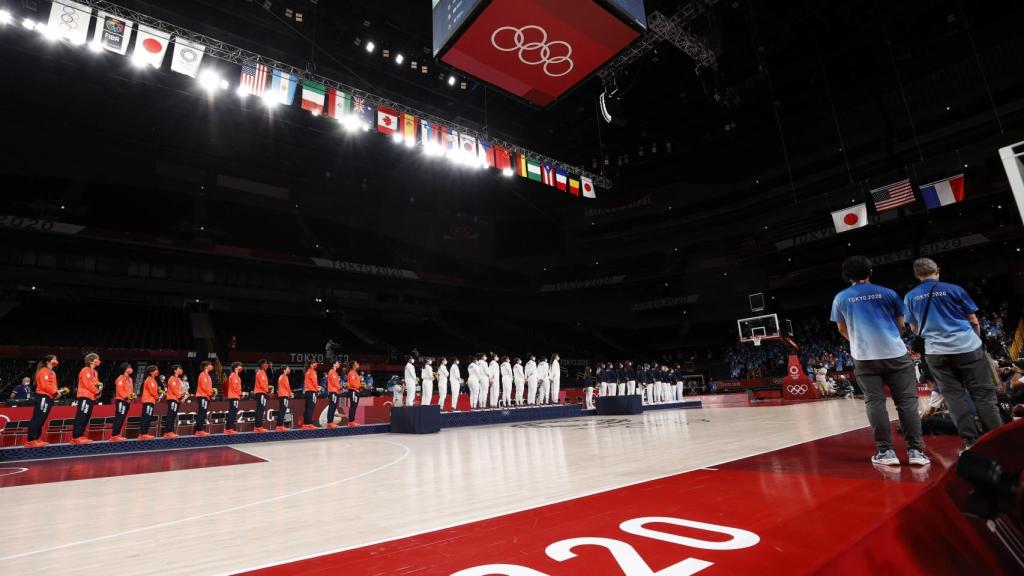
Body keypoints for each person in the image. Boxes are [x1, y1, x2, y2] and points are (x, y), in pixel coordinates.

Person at [831, 255, 929, 467]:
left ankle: (885, 452)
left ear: (847, 277)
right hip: (895, 353)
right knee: (906, 403)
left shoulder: (841, 298)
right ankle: (916, 452)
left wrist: (857, 340)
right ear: (870, 272)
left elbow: (841, 328)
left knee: (874, 402)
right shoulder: (889, 293)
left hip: (864, 357)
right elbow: (901, 325)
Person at [904, 258, 1002, 449]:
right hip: (968, 348)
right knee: (983, 395)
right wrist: (976, 341)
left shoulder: (910, 297)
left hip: (936, 353)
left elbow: (914, 329)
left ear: (917, 276)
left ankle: (970, 444)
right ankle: (997, 442)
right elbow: (973, 320)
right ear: (937, 270)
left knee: (953, 398)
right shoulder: (954, 289)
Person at [25, 355, 61, 447]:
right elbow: (45, 386)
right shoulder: (44, 371)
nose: (56, 361)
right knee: (38, 418)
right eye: (54, 359)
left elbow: (53, 385)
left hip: (49, 397)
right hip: (43, 397)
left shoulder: (52, 372)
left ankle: (36, 438)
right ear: (48, 362)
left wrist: (57, 393)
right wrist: (55, 392)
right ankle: (30, 440)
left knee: (42, 419)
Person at [71, 352, 102, 445]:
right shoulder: (85, 370)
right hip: (84, 396)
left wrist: (99, 390)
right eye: (96, 359)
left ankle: (81, 435)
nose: (98, 360)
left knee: (86, 417)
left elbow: (96, 384)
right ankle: (76, 437)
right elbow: (87, 384)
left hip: (91, 397)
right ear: (90, 361)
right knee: (81, 416)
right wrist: (97, 391)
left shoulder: (95, 372)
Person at [110, 363, 134, 442]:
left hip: (127, 401)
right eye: (129, 367)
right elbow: (120, 391)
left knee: (123, 417)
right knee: (119, 417)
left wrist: (132, 397)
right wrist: (126, 397)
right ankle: (114, 435)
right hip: (121, 400)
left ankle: (118, 434)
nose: (130, 369)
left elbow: (130, 390)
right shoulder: (120, 378)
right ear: (125, 369)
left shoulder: (130, 379)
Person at [162, 364, 185, 439]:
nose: (180, 370)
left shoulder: (178, 379)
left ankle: (171, 431)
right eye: (179, 368)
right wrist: (180, 397)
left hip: (177, 399)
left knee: (173, 415)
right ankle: (167, 432)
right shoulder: (172, 379)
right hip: (172, 399)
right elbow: (174, 390)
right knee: (170, 415)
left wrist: (183, 396)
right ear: (175, 370)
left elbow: (180, 389)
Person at [138, 365, 160, 440]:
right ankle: (143, 434)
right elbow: (153, 392)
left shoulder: (152, 380)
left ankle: (144, 433)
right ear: (151, 372)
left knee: (148, 417)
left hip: (150, 401)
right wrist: (157, 398)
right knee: (146, 417)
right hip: (148, 401)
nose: (157, 371)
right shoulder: (150, 380)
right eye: (155, 370)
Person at [194, 361, 214, 437]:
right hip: (202, 396)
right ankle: (199, 430)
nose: (211, 366)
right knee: (201, 413)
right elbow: (204, 387)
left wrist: (211, 393)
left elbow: (208, 387)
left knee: (203, 413)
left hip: (206, 396)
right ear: (205, 366)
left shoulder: (208, 376)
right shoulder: (202, 375)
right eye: (210, 365)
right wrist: (210, 394)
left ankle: (200, 430)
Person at [252, 359, 271, 432]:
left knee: (261, 410)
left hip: (262, 392)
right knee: (260, 410)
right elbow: (262, 384)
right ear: (261, 364)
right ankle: (258, 427)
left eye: (267, 363)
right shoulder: (260, 372)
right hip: (261, 393)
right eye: (265, 363)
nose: (267, 365)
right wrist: (268, 391)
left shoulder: (263, 372)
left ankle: (258, 427)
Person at [224, 362, 243, 435]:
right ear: (235, 367)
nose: (241, 367)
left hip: (236, 396)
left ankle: (229, 428)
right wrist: (241, 394)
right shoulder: (233, 375)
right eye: (239, 366)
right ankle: (228, 429)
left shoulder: (236, 376)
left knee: (233, 412)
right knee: (232, 412)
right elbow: (235, 387)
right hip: (234, 396)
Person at [302, 360, 319, 429]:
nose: (316, 364)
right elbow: (314, 383)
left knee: (307, 408)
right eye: (315, 363)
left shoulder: (307, 371)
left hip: (307, 392)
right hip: (312, 392)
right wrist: (317, 390)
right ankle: (309, 424)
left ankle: (306, 424)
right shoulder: (313, 371)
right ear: (312, 364)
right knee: (310, 408)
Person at [325, 361, 343, 428]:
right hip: (333, 392)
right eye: (337, 363)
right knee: (332, 407)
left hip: (335, 392)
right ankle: (329, 423)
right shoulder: (332, 372)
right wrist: (340, 387)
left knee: (333, 407)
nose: (339, 364)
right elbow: (335, 383)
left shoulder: (334, 372)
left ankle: (330, 422)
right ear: (334, 364)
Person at [275, 365, 292, 431]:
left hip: (282, 395)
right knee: (282, 411)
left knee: (281, 410)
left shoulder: (281, 377)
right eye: (288, 368)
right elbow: (287, 386)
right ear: (284, 370)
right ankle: (280, 426)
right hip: (284, 395)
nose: (289, 369)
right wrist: (290, 394)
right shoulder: (284, 377)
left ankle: (279, 426)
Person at [345, 360, 362, 427]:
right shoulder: (351, 373)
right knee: (353, 406)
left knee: (354, 406)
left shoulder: (355, 372)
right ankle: (351, 422)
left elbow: (356, 382)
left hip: (356, 391)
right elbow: (352, 383)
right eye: (356, 363)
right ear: (353, 365)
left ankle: (352, 421)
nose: (358, 364)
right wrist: (359, 386)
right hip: (353, 391)